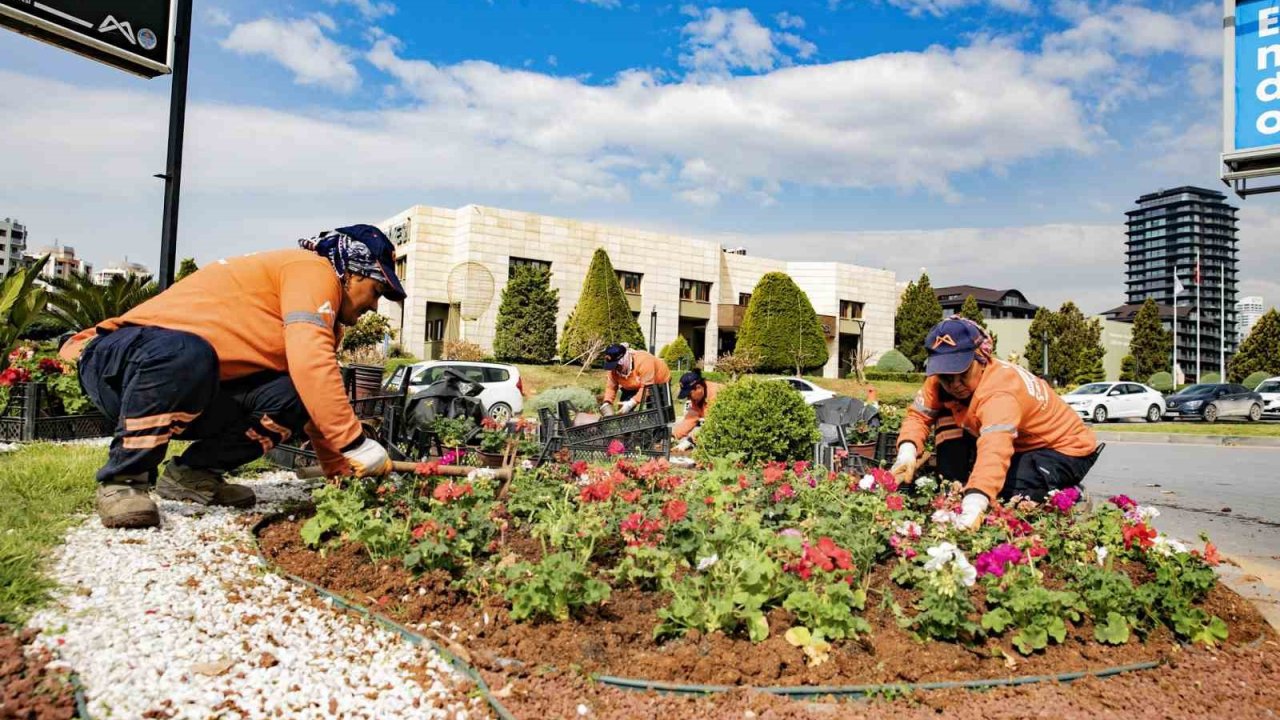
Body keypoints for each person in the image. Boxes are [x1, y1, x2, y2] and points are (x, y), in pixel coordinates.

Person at [59, 225, 406, 529]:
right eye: (376, 290)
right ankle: (123, 480)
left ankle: (193, 474)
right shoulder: (313, 270)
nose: (375, 306)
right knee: (187, 351)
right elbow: (311, 360)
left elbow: (311, 388)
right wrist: (356, 443)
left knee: (294, 395)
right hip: (114, 363)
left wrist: (342, 474)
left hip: (190, 385)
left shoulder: (326, 325)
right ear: (349, 273)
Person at [890, 316, 1101, 529]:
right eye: (947, 375)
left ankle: (1072, 496)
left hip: (1064, 448)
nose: (954, 384)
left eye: (962, 372)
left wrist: (975, 500)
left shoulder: (1001, 392)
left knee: (1007, 496)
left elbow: (995, 448)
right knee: (946, 415)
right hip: (1022, 443)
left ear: (981, 359)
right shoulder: (937, 381)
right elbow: (919, 416)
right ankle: (955, 488)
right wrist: (907, 452)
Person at [599, 343, 671, 415]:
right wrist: (607, 402)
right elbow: (611, 387)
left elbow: (647, 387)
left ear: (624, 359)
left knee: (654, 412)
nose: (614, 369)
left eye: (616, 366)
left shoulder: (644, 360)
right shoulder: (613, 369)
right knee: (623, 412)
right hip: (632, 383)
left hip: (657, 381)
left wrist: (632, 403)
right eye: (612, 366)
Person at [672, 369, 721, 450]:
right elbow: (690, 418)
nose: (688, 398)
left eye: (689, 394)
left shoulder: (716, 394)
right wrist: (674, 436)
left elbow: (712, 425)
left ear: (698, 388)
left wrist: (690, 440)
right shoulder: (698, 398)